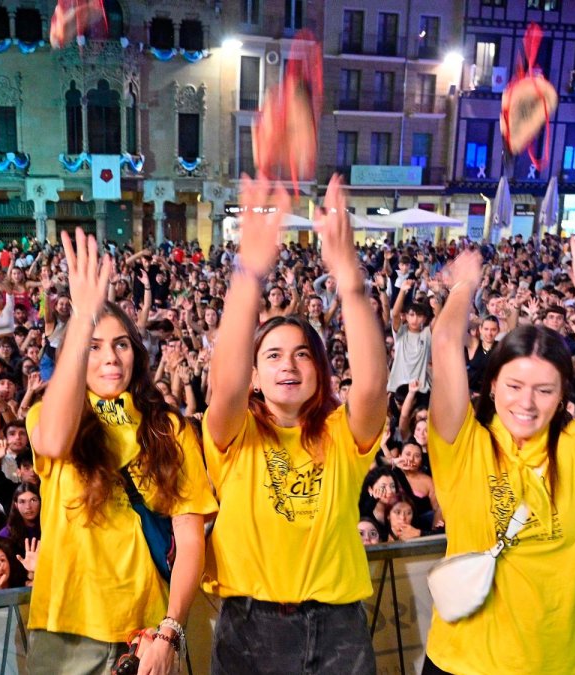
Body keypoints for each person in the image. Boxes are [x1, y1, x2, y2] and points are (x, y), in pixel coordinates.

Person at [424, 229, 575, 673]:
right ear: (492, 385)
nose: (526, 404)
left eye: (544, 390)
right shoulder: (463, 445)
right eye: (513, 386)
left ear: (564, 394)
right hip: (463, 663)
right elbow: (446, 343)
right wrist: (463, 286)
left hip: (560, 663)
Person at [203, 175, 387, 674]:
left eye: (303, 355)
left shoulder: (341, 436)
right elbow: (223, 384)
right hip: (248, 627)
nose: (289, 365)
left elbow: (371, 386)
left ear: (321, 373)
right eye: (273, 355)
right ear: (255, 377)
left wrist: (348, 277)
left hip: (338, 629)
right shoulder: (233, 437)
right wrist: (248, 273)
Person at [25, 228, 217, 674]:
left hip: (146, 633)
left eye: (120, 344)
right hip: (63, 629)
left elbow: (190, 541)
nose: (110, 358)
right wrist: (83, 317)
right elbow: (52, 442)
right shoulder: (49, 415)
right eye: (93, 347)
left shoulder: (169, 428)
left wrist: (170, 630)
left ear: (137, 353)